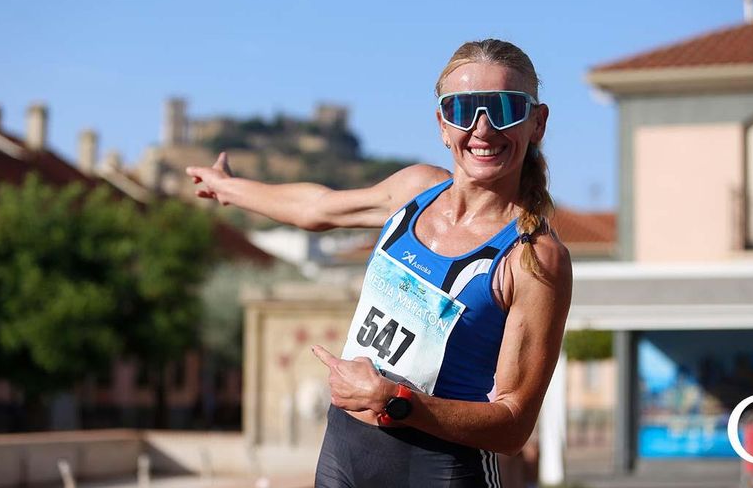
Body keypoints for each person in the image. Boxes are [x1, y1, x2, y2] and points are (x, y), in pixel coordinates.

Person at [186, 38, 572, 488]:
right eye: (462, 110)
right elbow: (318, 208)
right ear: (442, 125)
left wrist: (395, 400)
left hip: (441, 472)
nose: (482, 129)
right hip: (342, 455)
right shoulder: (414, 191)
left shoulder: (533, 257)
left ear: (537, 123)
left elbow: (512, 426)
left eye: (504, 109)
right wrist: (229, 190)